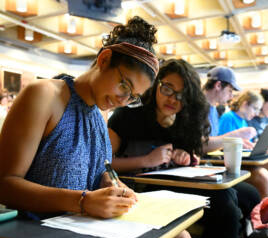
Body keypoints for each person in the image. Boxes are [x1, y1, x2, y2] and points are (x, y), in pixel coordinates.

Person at [0, 16, 158, 220]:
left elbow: (89, 171)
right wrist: (82, 201)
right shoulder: (44, 95)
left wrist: (108, 183)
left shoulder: (101, 112)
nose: (122, 101)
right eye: (124, 86)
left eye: (133, 97)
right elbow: (5, 185)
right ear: (104, 59)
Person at [108, 59, 261, 238]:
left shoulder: (185, 118)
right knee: (225, 204)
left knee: (250, 194)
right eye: (167, 89)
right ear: (156, 84)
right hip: (143, 187)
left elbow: (193, 151)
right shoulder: (128, 115)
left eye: (181, 95)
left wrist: (187, 156)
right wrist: (146, 160)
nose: (173, 99)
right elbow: (105, 164)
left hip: (177, 181)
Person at [202, 66, 257, 153]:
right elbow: (200, 145)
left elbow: (211, 143)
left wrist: (235, 142)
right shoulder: (196, 107)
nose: (231, 96)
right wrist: (236, 136)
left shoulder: (213, 110)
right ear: (218, 85)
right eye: (230, 91)